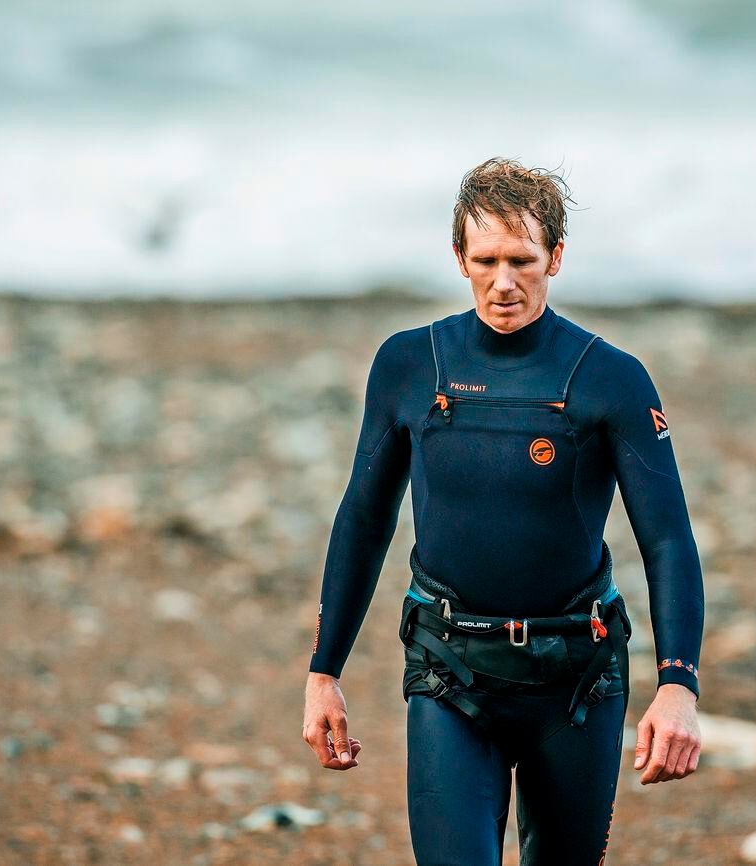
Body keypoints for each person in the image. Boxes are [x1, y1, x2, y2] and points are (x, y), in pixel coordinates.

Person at [302, 157, 705, 866]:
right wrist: (323, 672)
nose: (504, 282)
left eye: (522, 260)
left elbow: (668, 538)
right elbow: (364, 519)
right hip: (449, 673)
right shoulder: (409, 364)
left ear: (557, 257)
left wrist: (678, 684)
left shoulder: (611, 377)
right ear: (459, 257)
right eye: (486, 260)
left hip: (576, 679)